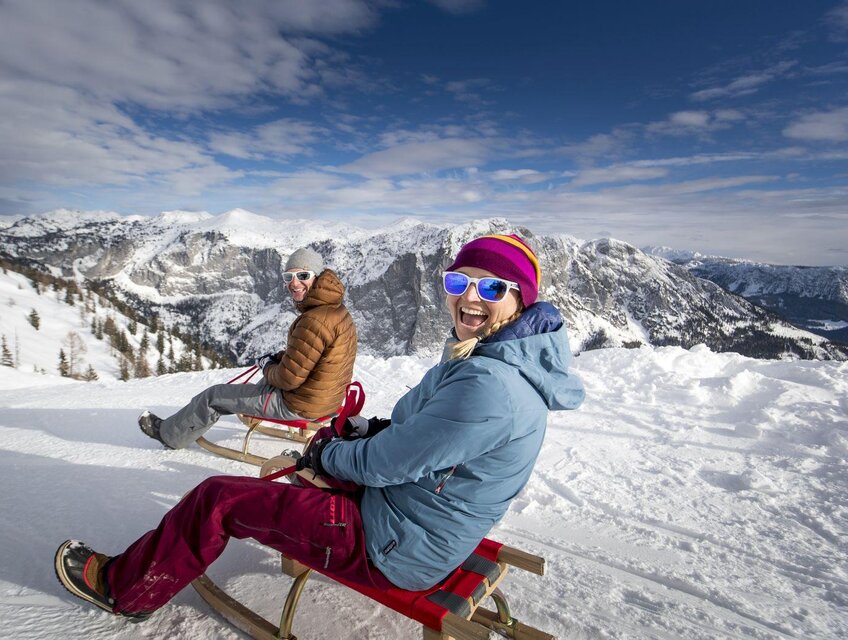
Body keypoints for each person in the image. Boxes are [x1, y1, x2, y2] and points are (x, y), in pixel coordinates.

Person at [55, 233, 585, 618]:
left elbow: (385, 464)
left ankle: (124, 590)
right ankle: (295, 521)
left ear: (520, 300)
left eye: (491, 289)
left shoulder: (488, 384)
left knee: (217, 498)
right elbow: (419, 436)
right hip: (412, 518)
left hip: (394, 546)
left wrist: (325, 455)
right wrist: (362, 433)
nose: (469, 298)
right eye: (458, 282)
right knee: (314, 459)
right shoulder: (488, 360)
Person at [138, 247, 358, 450]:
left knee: (213, 396)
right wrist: (280, 359)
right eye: (288, 277)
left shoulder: (314, 320)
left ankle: (169, 436)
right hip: (327, 400)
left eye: (302, 276)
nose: (294, 283)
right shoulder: (336, 311)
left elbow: (288, 379)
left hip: (300, 404)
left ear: (317, 277)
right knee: (261, 385)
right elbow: (317, 357)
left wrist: (267, 366)